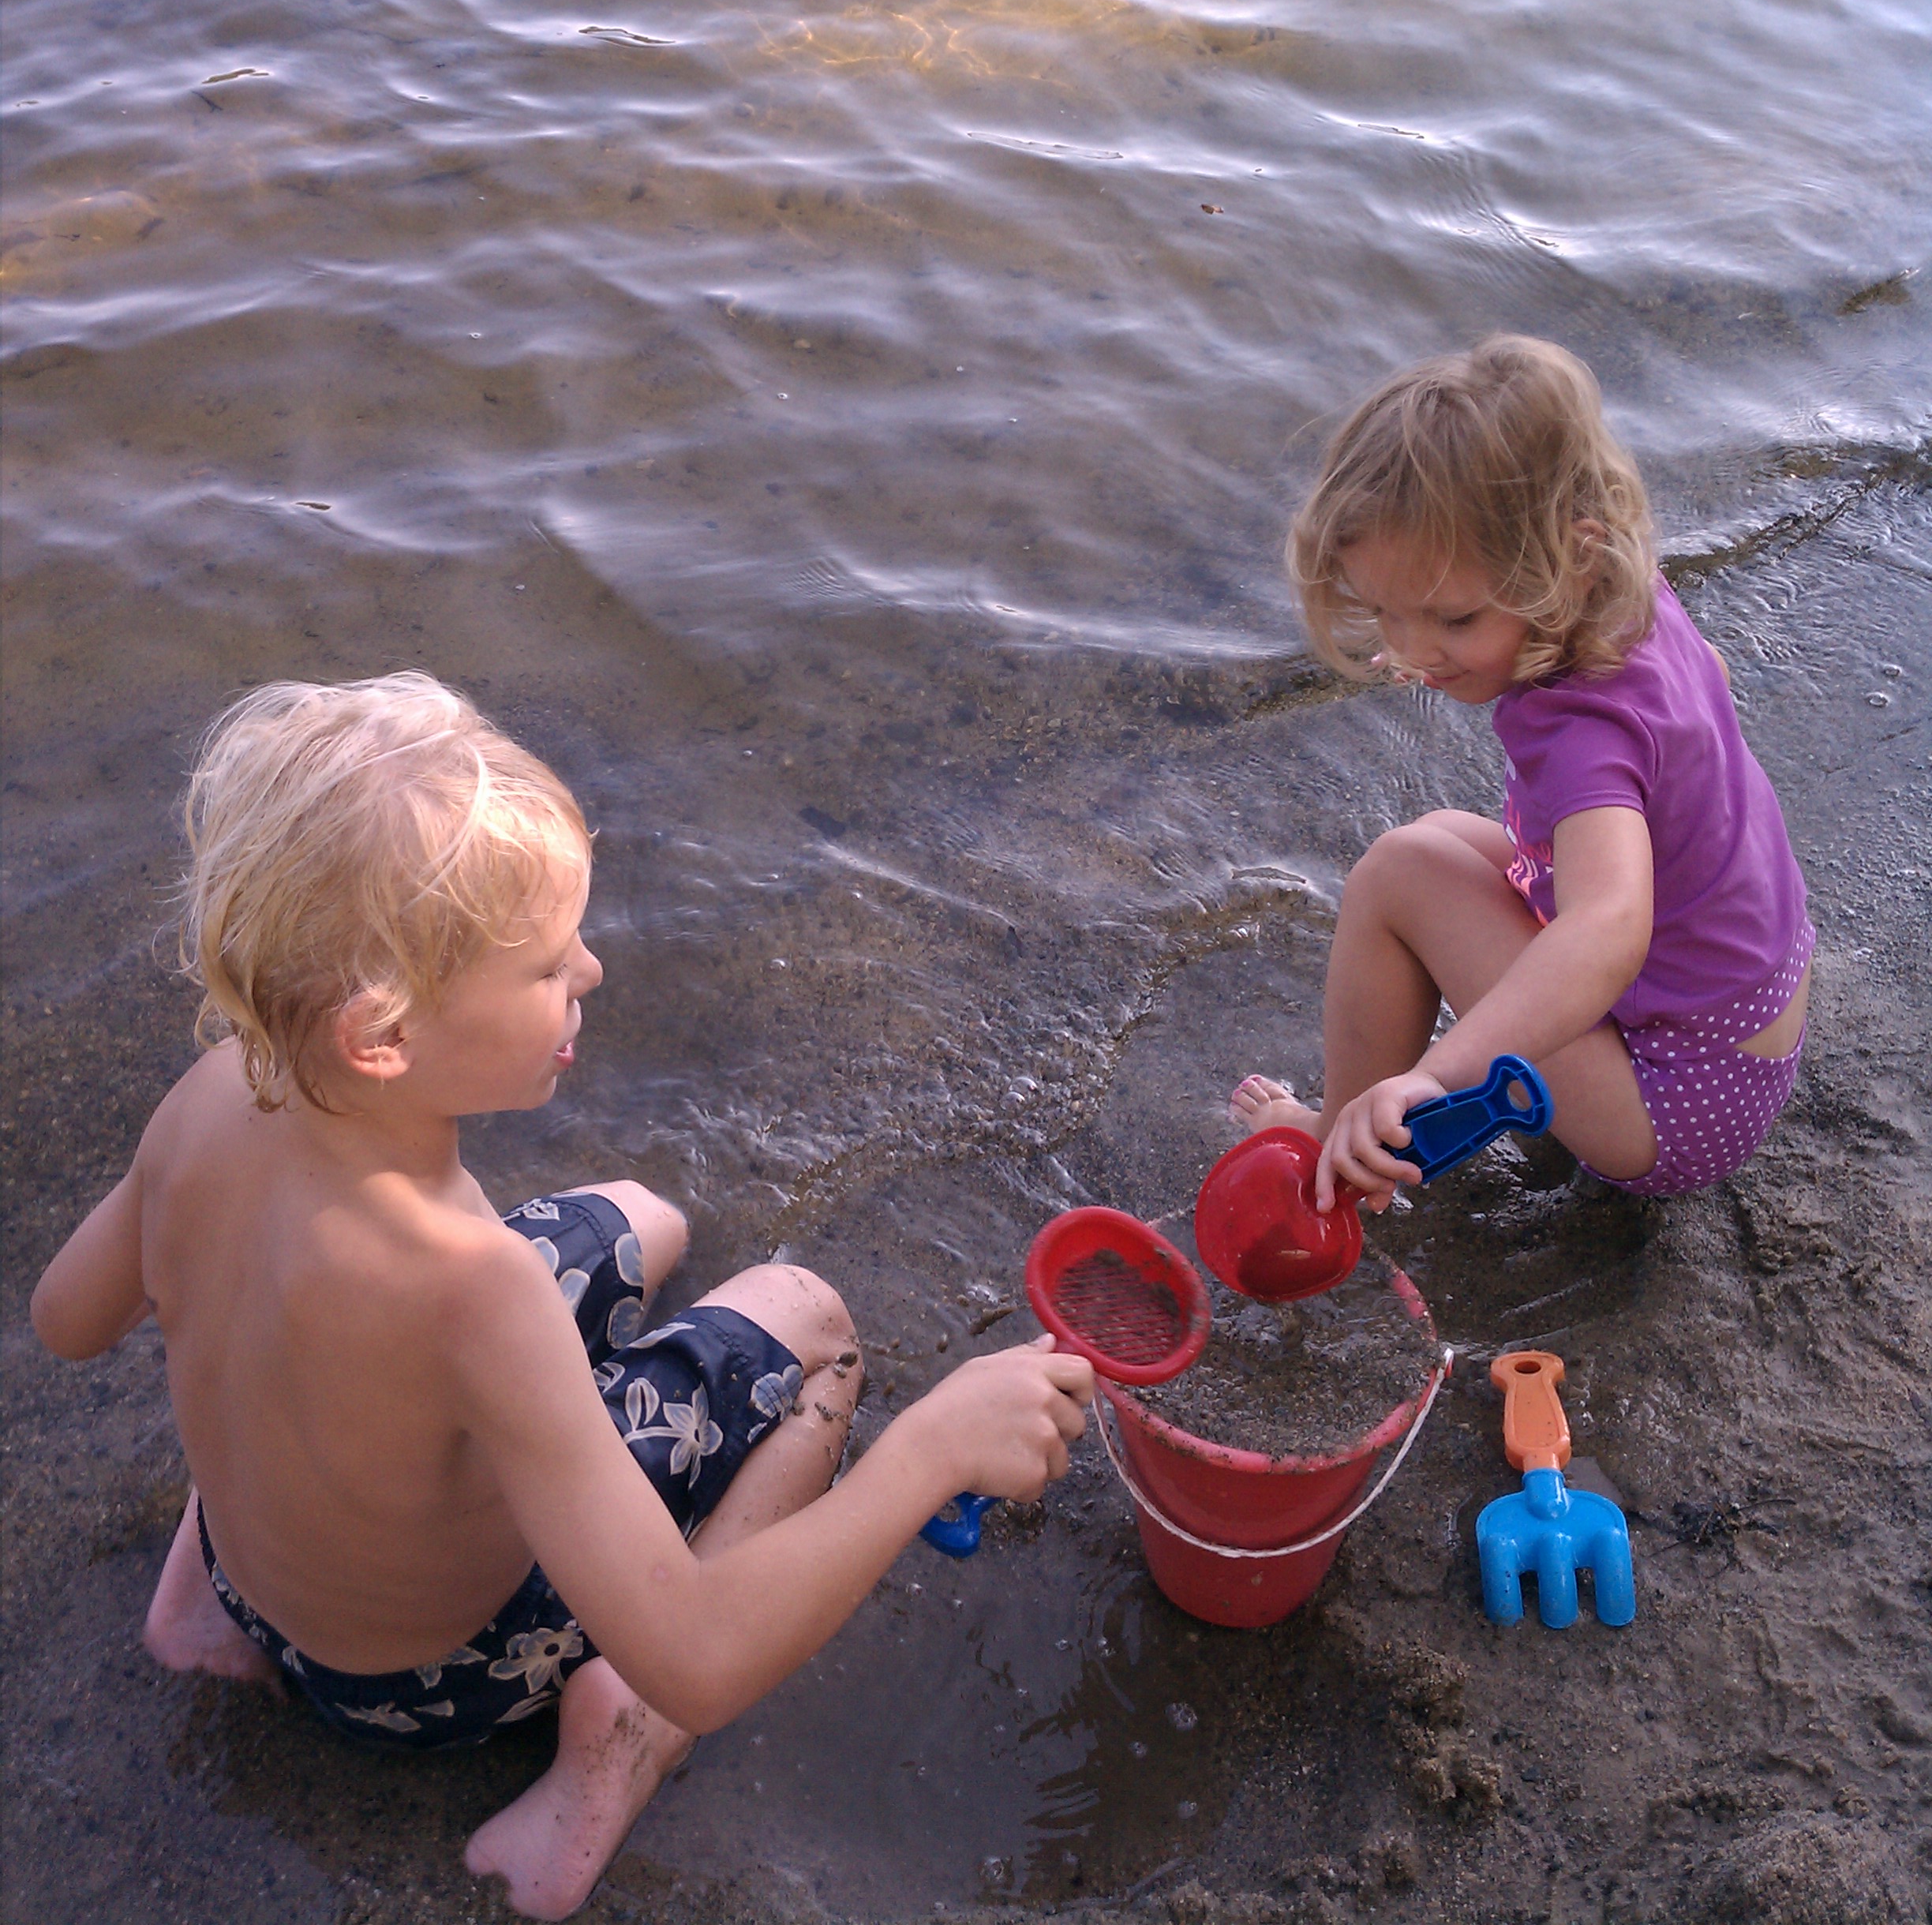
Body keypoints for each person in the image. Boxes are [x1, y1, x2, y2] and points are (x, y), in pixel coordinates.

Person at [30, 673, 1091, 1923]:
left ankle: (207, 1611)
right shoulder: (475, 1293)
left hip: (258, 1581)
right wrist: (929, 1452)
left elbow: (68, 1320)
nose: (590, 967)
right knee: (810, 1322)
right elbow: (699, 1655)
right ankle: (617, 1737)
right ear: (383, 1036)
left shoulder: (215, 1093)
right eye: (545, 968)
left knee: (643, 1216)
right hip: (429, 1684)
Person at [1231, 335, 1813, 1214]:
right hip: (1743, 1028)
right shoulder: (1629, 600)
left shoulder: (1580, 727)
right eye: (1389, 614)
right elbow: (1713, 689)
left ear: (1566, 561)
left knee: (1400, 873)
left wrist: (1440, 1075)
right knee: (1443, 839)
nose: (1415, 650)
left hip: (1674, 1104)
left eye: (1453, 618)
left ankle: (1345, 1144)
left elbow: (1611, 926)